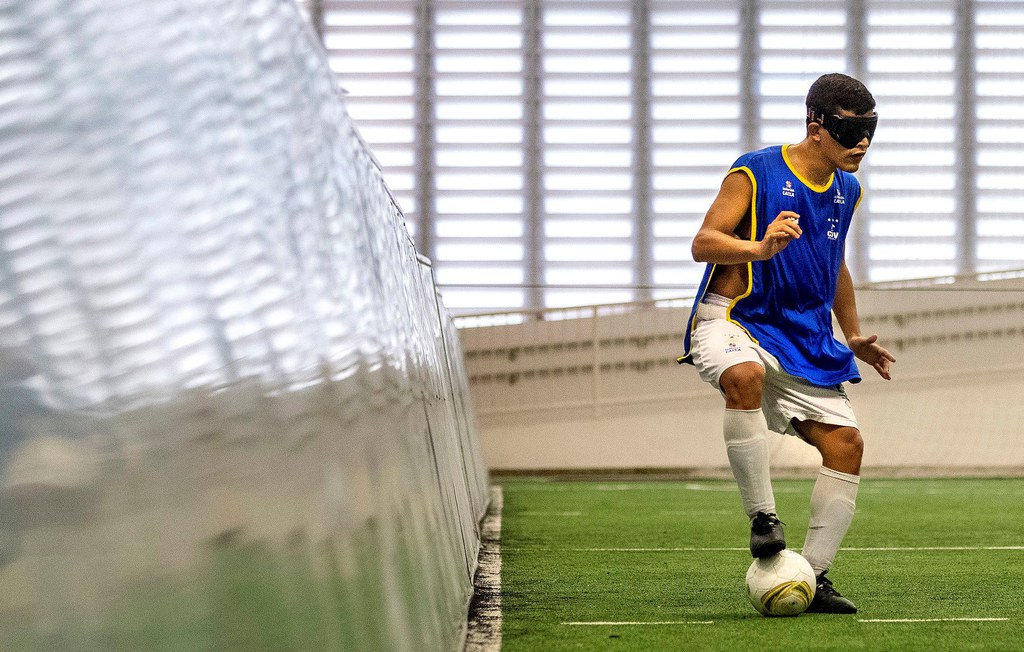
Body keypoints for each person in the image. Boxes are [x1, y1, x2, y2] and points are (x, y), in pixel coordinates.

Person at [677, 73, 895, 614]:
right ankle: (763, 519)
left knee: (847, 446)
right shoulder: (757, 169)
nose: (862, 142)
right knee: (743, 377)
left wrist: (852, 334)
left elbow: (835, 263)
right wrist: (761, 245)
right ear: (816, 126)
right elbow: (703, 243)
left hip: (804, 337)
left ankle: (813, 577)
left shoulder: (849, 190)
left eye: (870, 129)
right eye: (851, 130)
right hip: (735, 320)